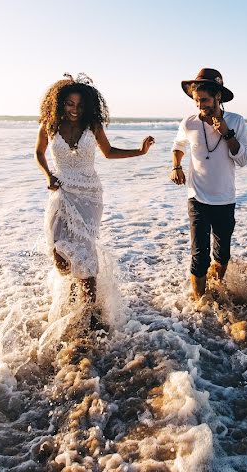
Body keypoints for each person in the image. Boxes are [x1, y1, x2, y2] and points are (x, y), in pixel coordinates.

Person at [35, 74, 154, 333]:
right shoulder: (49, 125)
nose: (75, 110)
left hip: (89, 195)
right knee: (59, 255)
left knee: (84, 252)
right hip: (62, 190)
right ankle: (74, 294)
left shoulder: (93, 126)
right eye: (69, 104)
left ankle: (88, 315)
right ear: (60, 103)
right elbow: (39, 153)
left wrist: (140, 151)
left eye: (79, 105)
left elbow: (109, 153)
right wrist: (48, 176)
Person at [171, 68, 247, 299]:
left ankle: (216, 287)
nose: (199, 106)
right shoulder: (189, 123)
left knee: (222, 254)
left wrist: (226, 133)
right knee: (199, 256)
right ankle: (200, 306)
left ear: (218, 96)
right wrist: (176, 166)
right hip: (197, 196)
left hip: (225, 198)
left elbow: (243, 159)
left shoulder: (236, 121)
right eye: (196, 101)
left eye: (204, 100)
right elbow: (178, 145)